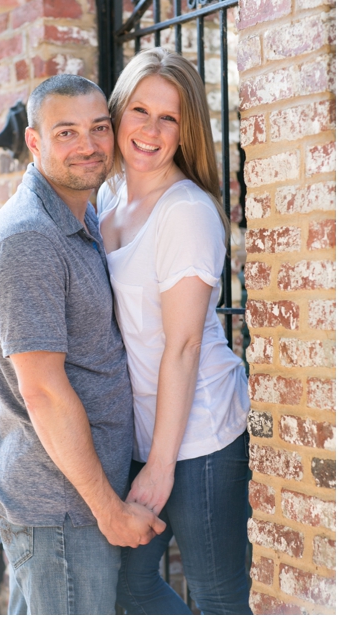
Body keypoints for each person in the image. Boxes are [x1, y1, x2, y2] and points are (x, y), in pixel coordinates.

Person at [0, 74, 166, 615]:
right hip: (63, 509)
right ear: (34, 142)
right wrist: (107, 509)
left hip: (74, 502)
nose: (88, 145)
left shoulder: (78, 220)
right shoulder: (29, 238)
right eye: (66, 133)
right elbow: (44, 392)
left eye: (98, 128)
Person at [97, 47, 252, 614]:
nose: (151, 130)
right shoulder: (108, 199)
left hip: (202, 436)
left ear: (186, 131)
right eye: (140, 110)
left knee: (216, 593)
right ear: (117, 113)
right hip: (141, 431)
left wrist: (161, 466)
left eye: (170, 117)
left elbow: (184, 347)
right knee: (127, 584)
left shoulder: (185, 210)